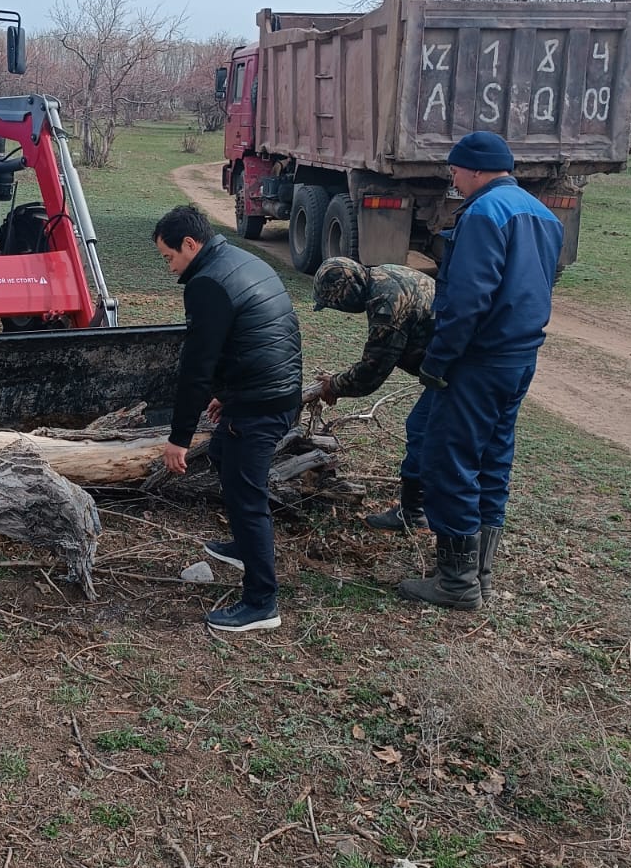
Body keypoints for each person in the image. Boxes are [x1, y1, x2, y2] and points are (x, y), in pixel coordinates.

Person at [399, 132, 562, 610]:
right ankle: (480, 572)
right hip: (519, 358)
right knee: (493, 459)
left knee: (449, 461)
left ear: (473, 169)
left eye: (454, 170)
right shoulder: (543, 214)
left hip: (478, 360)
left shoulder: (483, 215)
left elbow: (468, 299)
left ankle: (456, 582)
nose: (452, 178)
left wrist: (439, 360)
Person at [154, 204, 302, 633]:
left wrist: (178, 437)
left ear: (189, 244)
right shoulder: (237, 258)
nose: (170, 268)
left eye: (169, 257)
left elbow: (197, 366)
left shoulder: (207, 283)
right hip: (276, 392)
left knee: (247, 498)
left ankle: (261, 602)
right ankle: (243, 546)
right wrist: (227, 394)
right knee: (222, 454)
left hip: (260, 406)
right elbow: (254, 336)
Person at [303, 257, 436, 531]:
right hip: (456, 366)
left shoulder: (386, 302)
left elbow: (373, 370)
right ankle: (419, 508)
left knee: (423, 430)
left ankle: (415, 512)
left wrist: (334, 385)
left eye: (335, 303)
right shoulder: (385, 274)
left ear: (346, 293)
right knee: (427, 430)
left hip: (461, 372)